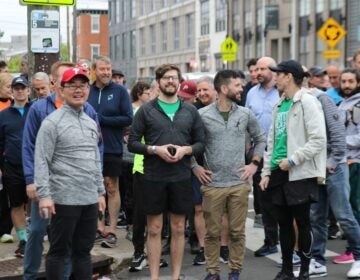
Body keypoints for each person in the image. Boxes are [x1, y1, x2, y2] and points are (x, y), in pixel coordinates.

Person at [22, 61, 102, 280]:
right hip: (62, 199)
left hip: (88, 199)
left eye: (83, 85)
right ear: (60, 89)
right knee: (58, 252)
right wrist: (45, 196)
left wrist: (100, 191)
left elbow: (94, 158)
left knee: (83, 253)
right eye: (72, 85)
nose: (78, 90)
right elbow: (41, 159)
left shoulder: (90, 121)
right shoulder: (51, 122)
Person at [128, 64, 205, 280]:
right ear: (159, 82)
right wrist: (154, 150)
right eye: (166, 78)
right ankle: (154, 277)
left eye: (174, 78)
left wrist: (185, 150)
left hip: (181, 176)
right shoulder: (146, 110)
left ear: (179, 81)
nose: (170, 81)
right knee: (154, 229)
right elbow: (132, 143)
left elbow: (201, 143)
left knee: (179, 227)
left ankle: (175, 276)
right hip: (152, 176)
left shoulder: (190, 110)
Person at [195, 69, 266, 280]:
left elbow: (260, 139)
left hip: (238, 184)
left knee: (237, 232)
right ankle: (213, 272)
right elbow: (190, 143)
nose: (242, 89)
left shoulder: (245, 114)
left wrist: (254, 164)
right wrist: (194, 167)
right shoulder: (201, 115)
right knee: (212, 234)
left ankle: (235, 271)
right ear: (224, 88)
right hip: (213, 184)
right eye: (237, 85)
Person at [260, 59, 327, 280]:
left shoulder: (307, 101)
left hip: (298, 172)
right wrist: (266, 172)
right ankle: (287, 268)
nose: (275, 77)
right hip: (278, 171)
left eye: (278, 74)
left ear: (288, 76)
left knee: (303, 223)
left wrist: (293, 160)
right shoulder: (279, 104)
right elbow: (272, 140)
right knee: (284, 225)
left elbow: (318, 140)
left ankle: (305, 270)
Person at [307, 81, 360, 279]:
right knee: (316, 217)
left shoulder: (321, 98)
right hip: (314, 167)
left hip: (334, 166)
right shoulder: (291, 101)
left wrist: (333, 160)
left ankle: (358, 257)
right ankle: (318, 261)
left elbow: (338, 133)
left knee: (343, 214)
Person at [88, 56, 133, 248]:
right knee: (93, 188)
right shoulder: (87, 90)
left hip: (112, 147)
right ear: (94, 71)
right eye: (102, 69)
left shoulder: (120, 91)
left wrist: (101, 119)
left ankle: (112, 229)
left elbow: (128, 118)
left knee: (111, 187)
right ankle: (98, 228)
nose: (106, 72)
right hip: (88, 148)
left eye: (109, 68)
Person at [191, 76, 229, 266]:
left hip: (223, 168)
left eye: (205, 89)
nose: (201, 93)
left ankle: (223, 248)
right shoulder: (192, 112)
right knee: (199, 209)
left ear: (215, 91)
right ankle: (204, 248)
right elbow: (187, 141)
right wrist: (194, 166)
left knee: (222, 210)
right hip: (198, 168)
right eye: (199, 91)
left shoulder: (227, 110)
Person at [246, 56, 281, 254]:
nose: (257, 73)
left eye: (262, 69)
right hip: (260, 153)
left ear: (273, 70)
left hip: (281, 153)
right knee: (264, 198)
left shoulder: (283, 91)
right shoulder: (251, 93)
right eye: (256, 69)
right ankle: (270, 241)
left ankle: (290, 241)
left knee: (284, 198)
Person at [333, 68, 360, 278]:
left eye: (351, 81)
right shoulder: (342, 103)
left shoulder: (357, 105)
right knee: (349, 208)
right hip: (344, 160)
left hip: (354, 162)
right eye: (344, 81)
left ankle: (355, 250)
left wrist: (339, 144)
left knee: (353, 209)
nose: (347, 84)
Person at [0, 76, 31, 257]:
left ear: (28, 90)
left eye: (23, 88)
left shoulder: (35, 111)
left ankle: (36, 236)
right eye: (16, 88)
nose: (19, 91)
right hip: (12, 167)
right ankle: (24, 240)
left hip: (34, 166)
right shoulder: (3, 116)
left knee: (34, 203)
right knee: (17, 204)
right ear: (12, 91)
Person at [0, 72, 14, 244]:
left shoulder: (15, 104)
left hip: (8, 156)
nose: (11, 90)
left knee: (7, 194)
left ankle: (5, 229)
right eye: (7, 87)